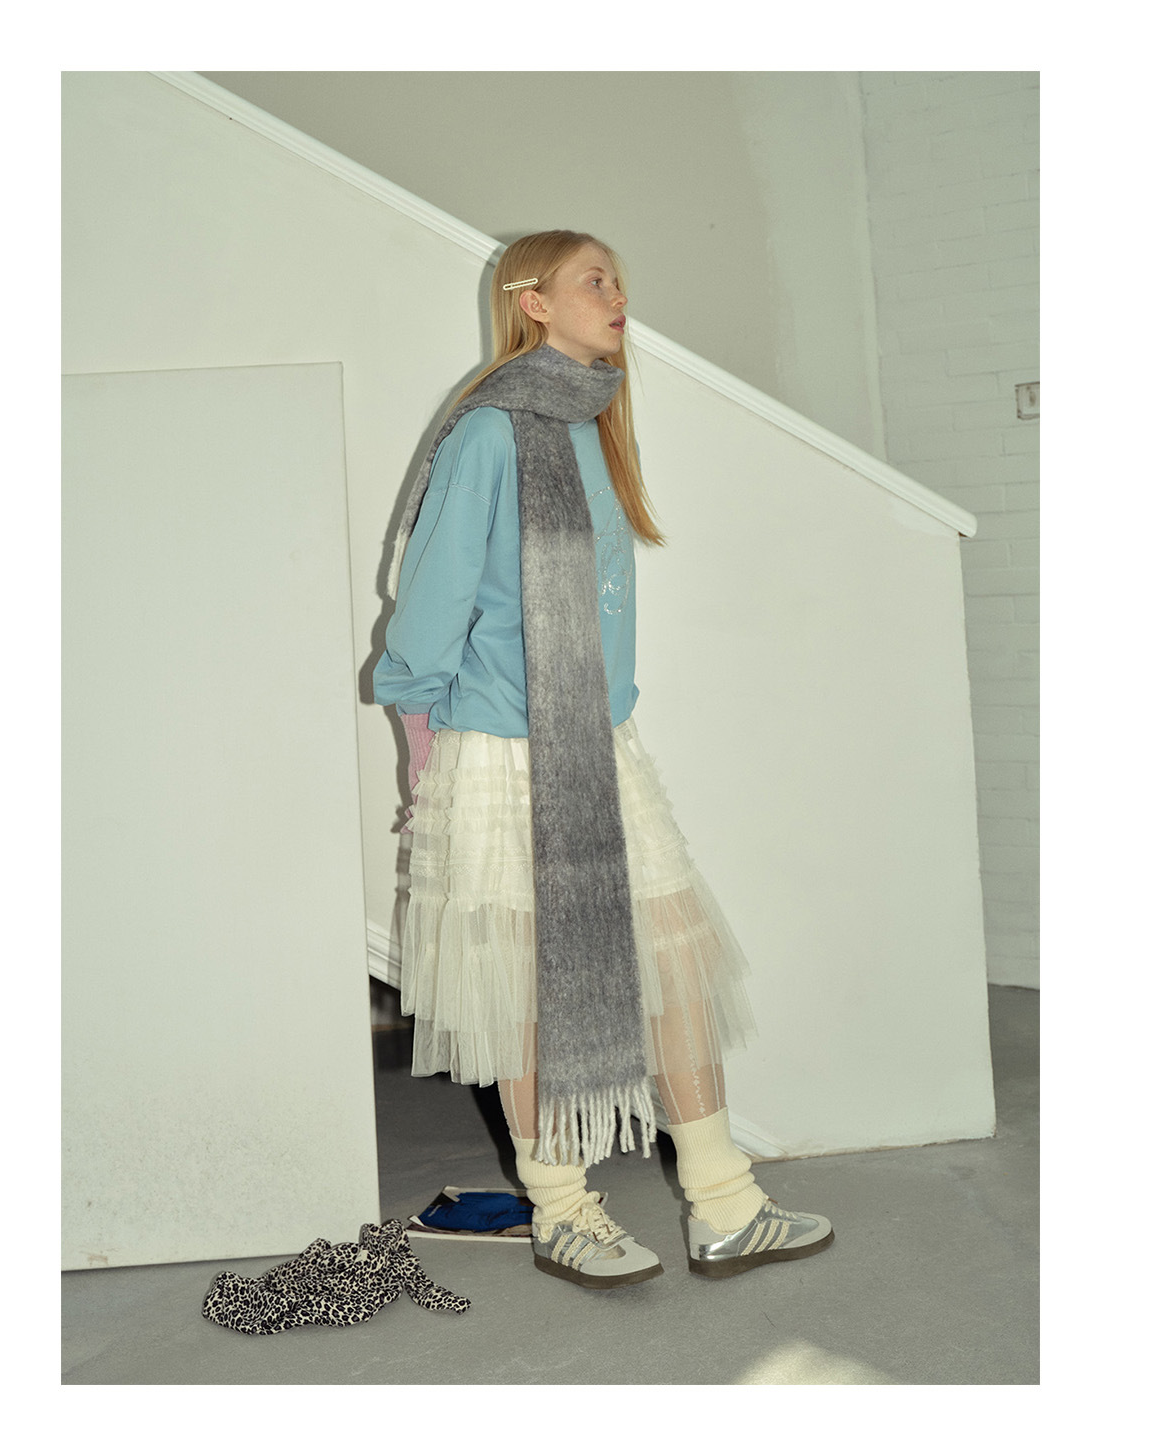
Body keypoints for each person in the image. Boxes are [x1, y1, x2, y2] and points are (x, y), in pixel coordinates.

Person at [373, 230, 834, 1288]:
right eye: (595, 279)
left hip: (598, 742)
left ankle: (725, 1203)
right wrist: (421, 743)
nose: (618, 294)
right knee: (524, 991)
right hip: (502, 750)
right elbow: (433, 602)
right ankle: (562, 1211)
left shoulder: (589, 419)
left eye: (619, 278)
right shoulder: (490, 429)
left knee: (671, 962)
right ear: (533, 302)